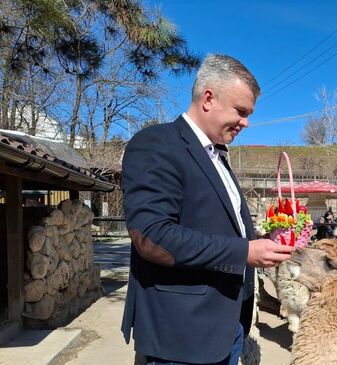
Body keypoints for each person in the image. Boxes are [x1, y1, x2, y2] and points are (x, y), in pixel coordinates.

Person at [121, 54, 295, 365]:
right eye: (241, 112)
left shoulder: (218, 157)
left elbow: (216, 228)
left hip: (227, 328)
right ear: (208, 98)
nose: (247, 122)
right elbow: (152, 236)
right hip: (182, 337)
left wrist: (263, 239)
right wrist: (244, 251)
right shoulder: (156, 144)